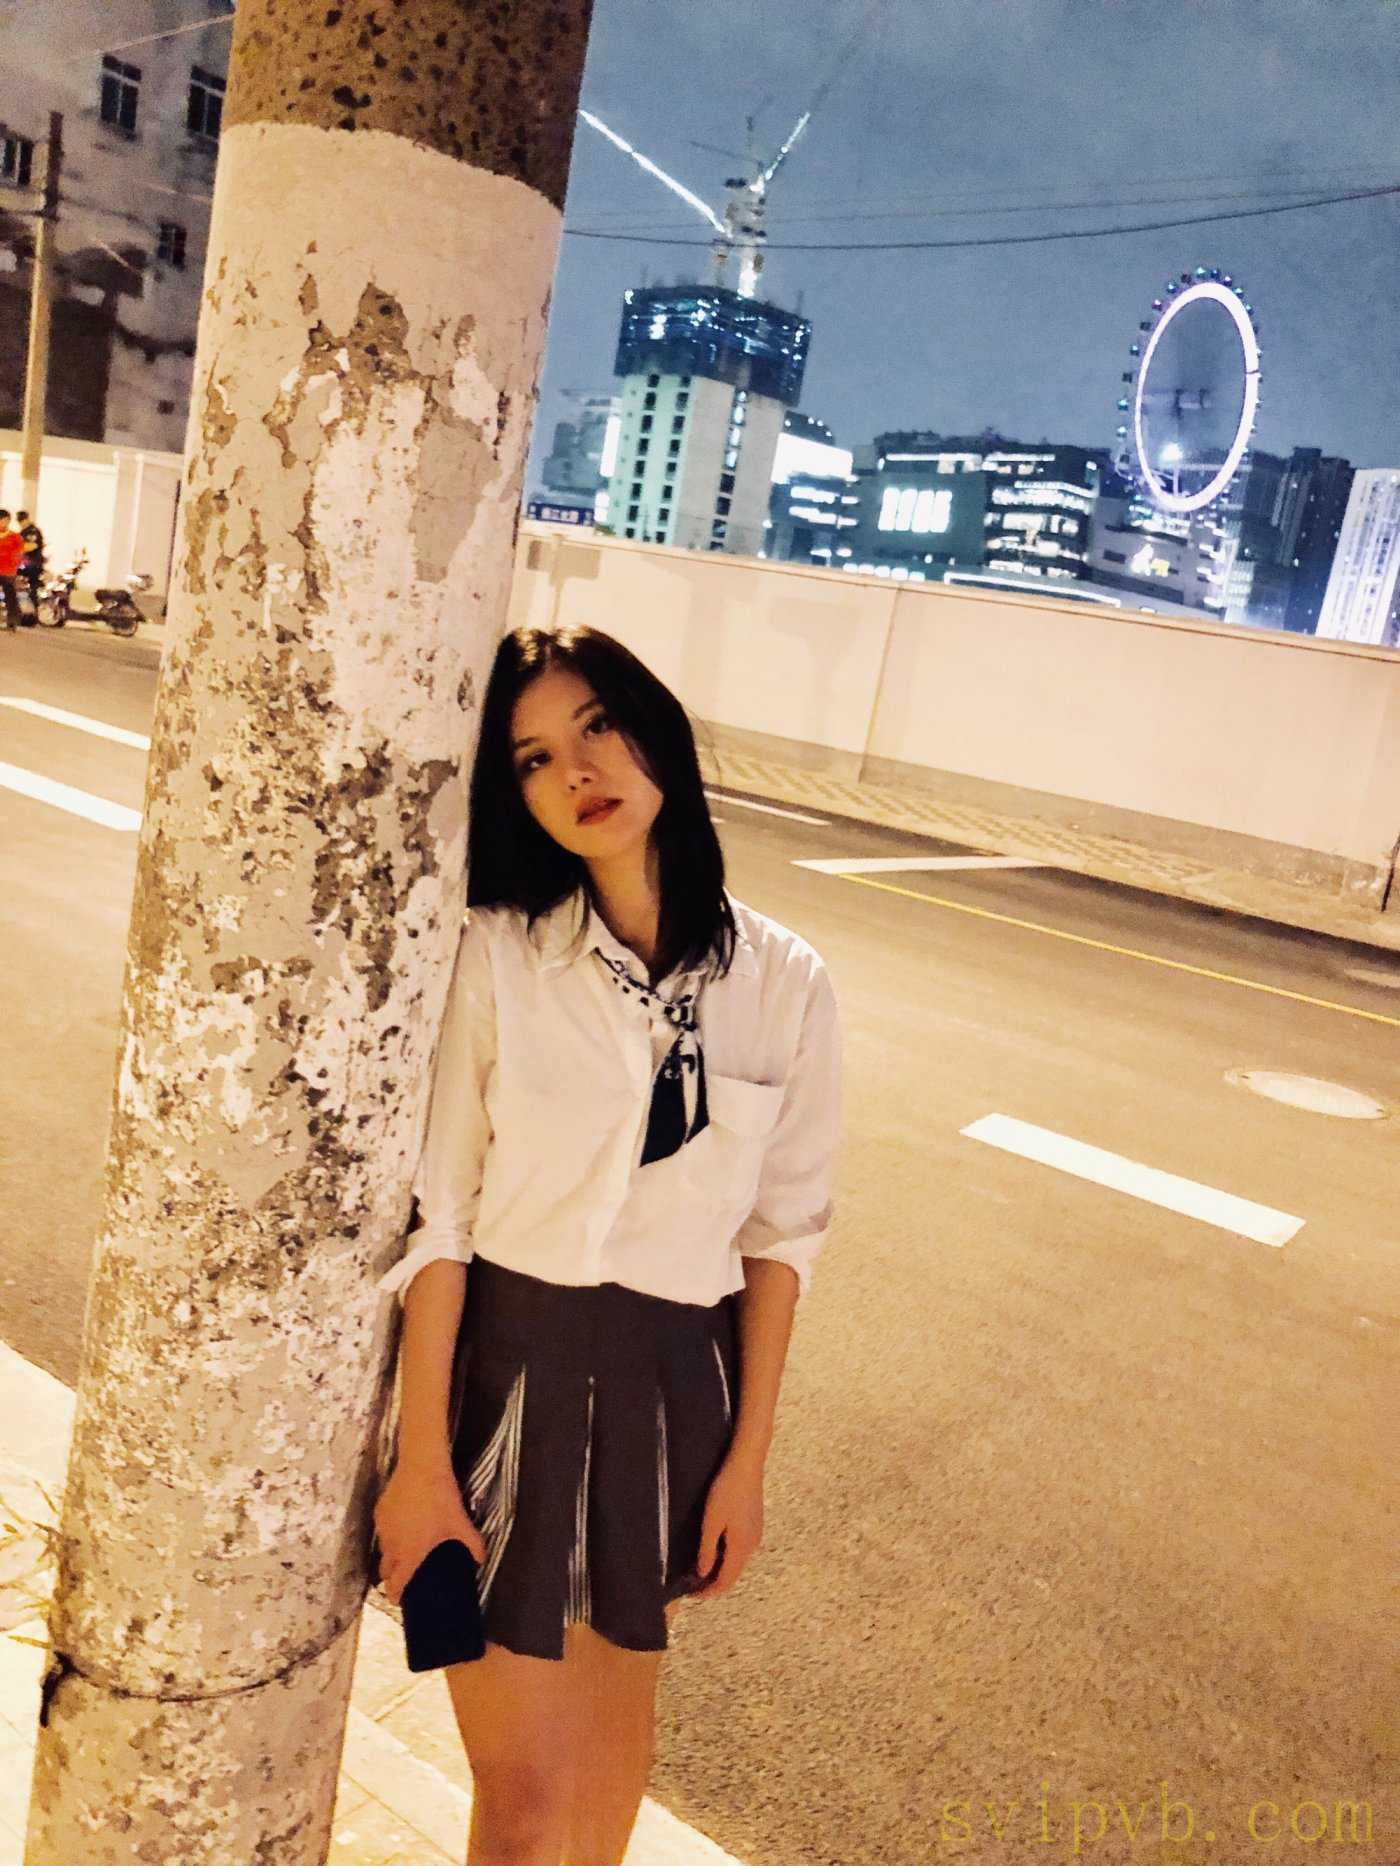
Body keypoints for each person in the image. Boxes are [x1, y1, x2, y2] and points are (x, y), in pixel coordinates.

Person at [373, 624, 842, 1866]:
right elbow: (442, 1224)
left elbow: (780, 1242)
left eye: (595, 726)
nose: (576, 771)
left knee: (602, 1796)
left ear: (655, 734)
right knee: (523, 1800)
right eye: (533, 757)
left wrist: (744, 1464)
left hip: (671, 1389)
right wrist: (422, 1467)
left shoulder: (783, 981)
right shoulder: (500, 956)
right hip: (506, 1370)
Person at [0, 512, 26, 630]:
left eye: (5, 520)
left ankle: (12, 621)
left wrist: (16, 567)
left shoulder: (15, 537)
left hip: (8, 571)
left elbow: (19, 554)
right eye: (1, 520)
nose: (3, 523)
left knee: (10, 597)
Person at [16, 511, 44, 622]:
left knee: (31, 589)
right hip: (24, 563)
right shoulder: (23, 532)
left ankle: (32, 615)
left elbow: (32, 546)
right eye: (19, 520)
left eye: (23, 520)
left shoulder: (32, 531)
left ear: (27, 519)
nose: (21, 522)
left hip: (32, 564)